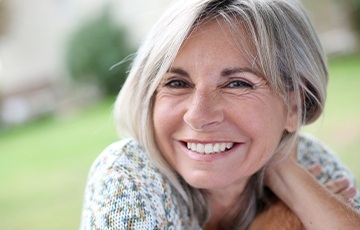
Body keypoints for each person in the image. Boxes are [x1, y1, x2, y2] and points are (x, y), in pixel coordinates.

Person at [80, 0, 360, 229]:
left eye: (237, 83)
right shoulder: (129, 174)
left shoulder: (310, 161)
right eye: (177, 83)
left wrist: (284, 173)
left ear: (294, 105)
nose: (198, 116)